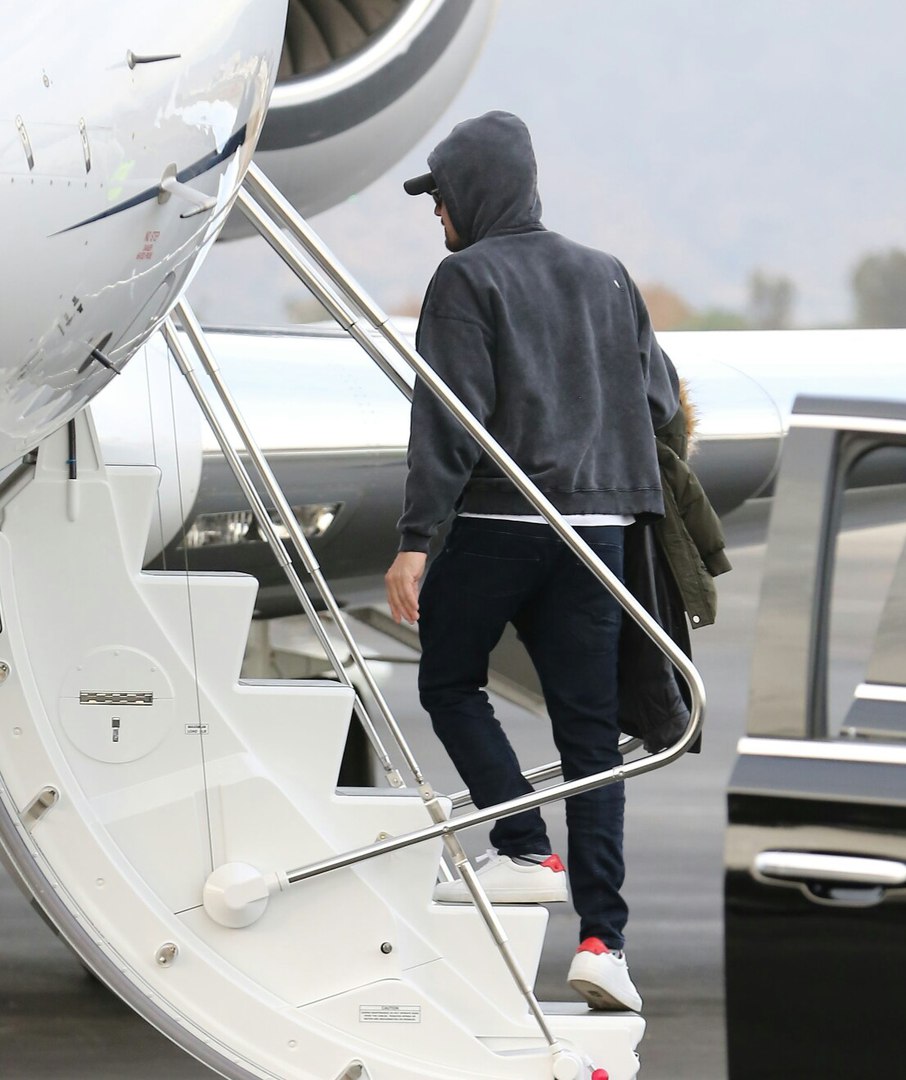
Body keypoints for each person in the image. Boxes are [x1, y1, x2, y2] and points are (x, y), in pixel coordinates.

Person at [384, 111, 679, 1013]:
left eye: (440, 197)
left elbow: (449, 419)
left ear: (475, 191)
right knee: (590, 740)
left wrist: (415, 541)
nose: (437, 214)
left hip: (499, 522)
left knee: (448, 681)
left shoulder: (465, 278)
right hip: (599, 534)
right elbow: (661, 402)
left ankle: (520, 845)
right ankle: (603, 945)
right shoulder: (608, 274)